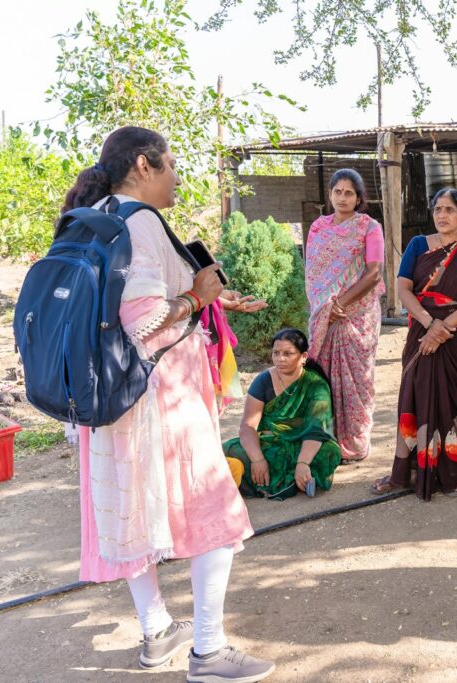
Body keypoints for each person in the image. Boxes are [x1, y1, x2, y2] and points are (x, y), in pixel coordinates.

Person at [66, 126, 273, 681]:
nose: (179, 176)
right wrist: (195, 297)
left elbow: (126, 302)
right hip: (160, 402)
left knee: (133, 516)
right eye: (173, 163)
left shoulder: (95, 218)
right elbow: (147, 322)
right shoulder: (139, 222)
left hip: (109, 400)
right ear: (144, 164)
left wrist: (217, 299)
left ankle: (157, 631)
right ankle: (207, 650)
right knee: (217, 517)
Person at [371, 188, 457, 499]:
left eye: (450, 210)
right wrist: (429, 324)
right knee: (413, 397)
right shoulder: (417, 245)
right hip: (421, 333)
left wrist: (443, 328)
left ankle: (452, 472)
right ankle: (404, 472)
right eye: (438, 209)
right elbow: (403, 289)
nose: (442, 215)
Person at [305, 168, 385, 462]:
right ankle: (325, 439)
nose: (342, 197)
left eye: (348, 192)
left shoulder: (369, 227)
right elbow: (312, 274)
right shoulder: (318, 227)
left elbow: (374, 273)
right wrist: (325, 306)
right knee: (324, 375)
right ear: (329, 194)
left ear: (358, 197)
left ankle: (355, 441)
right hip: (326, 314)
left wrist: (341, 303)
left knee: (358, 379)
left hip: (357, 314)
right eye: (337, 191)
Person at [224, 328, 342, 500]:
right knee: (232, 450)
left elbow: (316, 430)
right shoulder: (263, 380)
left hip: (304, 444)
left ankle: (293, 474)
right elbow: (248, 426)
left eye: (288, 353)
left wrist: (303, 463)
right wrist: (257, 459)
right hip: (269, 443)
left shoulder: (316, 385)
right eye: (276, 353)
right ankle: (292, 479)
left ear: (303, 357)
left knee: (329, 452)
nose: (280, 359)